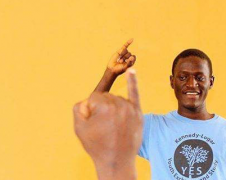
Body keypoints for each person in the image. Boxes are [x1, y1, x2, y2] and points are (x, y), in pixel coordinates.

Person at [89, 39, 226, 179]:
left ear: (211, 82)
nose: (191, 84)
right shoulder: (152, 127)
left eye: (200, 77)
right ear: (172, 82)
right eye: (183, 77)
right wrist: (110, 73)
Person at [73, 69, 144, 180]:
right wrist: (109, 75)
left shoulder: (135, 121)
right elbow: (99, 117)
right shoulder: (138, 121)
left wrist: (114, 168)